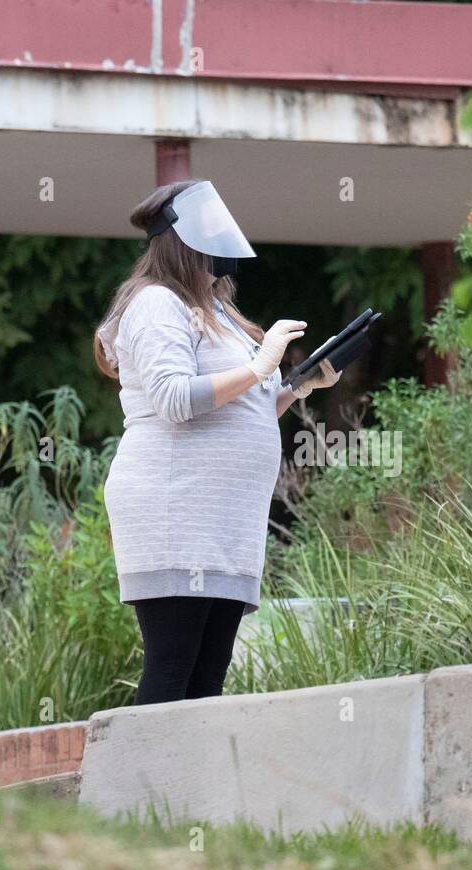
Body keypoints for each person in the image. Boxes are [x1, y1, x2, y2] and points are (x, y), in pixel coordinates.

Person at [94, 179, 340, 705]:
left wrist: (296, 386)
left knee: (208, 679)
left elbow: (245, 407)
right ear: (182, 244)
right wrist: (258, 365)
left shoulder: (218, 310)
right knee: (173, 668)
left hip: (225, 521)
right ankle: (136, 787)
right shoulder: (155, 304)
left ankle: (185, 789)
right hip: (177, 510)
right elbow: (176, 400)